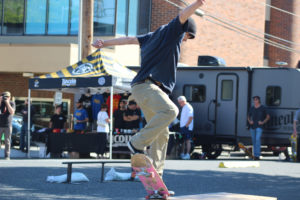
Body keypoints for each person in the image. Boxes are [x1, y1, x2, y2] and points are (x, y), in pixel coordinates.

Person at [92, 0, 206, 176]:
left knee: (163, 132)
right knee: (171, 111)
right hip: (149, 87)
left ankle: (155, 174)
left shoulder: (150, 36)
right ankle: (137, 143)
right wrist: (197, 4)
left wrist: (104, 43)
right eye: (187, 37)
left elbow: (129, 39)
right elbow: (183, 15)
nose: (185, 41)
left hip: (143, 89)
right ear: (184, 30)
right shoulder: (173, 31)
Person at [248, 96, 270, 160]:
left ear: (259, 100)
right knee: (254, 141)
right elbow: (248, 116)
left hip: (259, 126)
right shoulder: (252, 108)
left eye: (256, 100)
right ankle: (255, 155)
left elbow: (268, 117)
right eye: (254, 100)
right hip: (252, 127)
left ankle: (257, 155)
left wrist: (263, 122)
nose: (255, 101)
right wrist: (250, 121)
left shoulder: (263, 108)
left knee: (257, 139)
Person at [177, 96, 194, 160]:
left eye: (180, 103)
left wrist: (186, 125)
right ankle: (182, 153)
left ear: (183, 101)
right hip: (183, 127)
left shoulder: (188, 107)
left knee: (187, 140)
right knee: (183, 141)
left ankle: (187, 154)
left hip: (187, 127)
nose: (179, 104)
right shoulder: (184, 107)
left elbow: (191, 117)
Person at [0, 91, 15, 160]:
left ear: (10, 97)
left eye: (7, 97)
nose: (5, 98)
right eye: (4, 97)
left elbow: (12, 112)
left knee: (7, 141)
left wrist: (7, 103)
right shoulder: (1, 103)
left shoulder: (12, 103)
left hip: (8, 125)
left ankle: (7, 155)